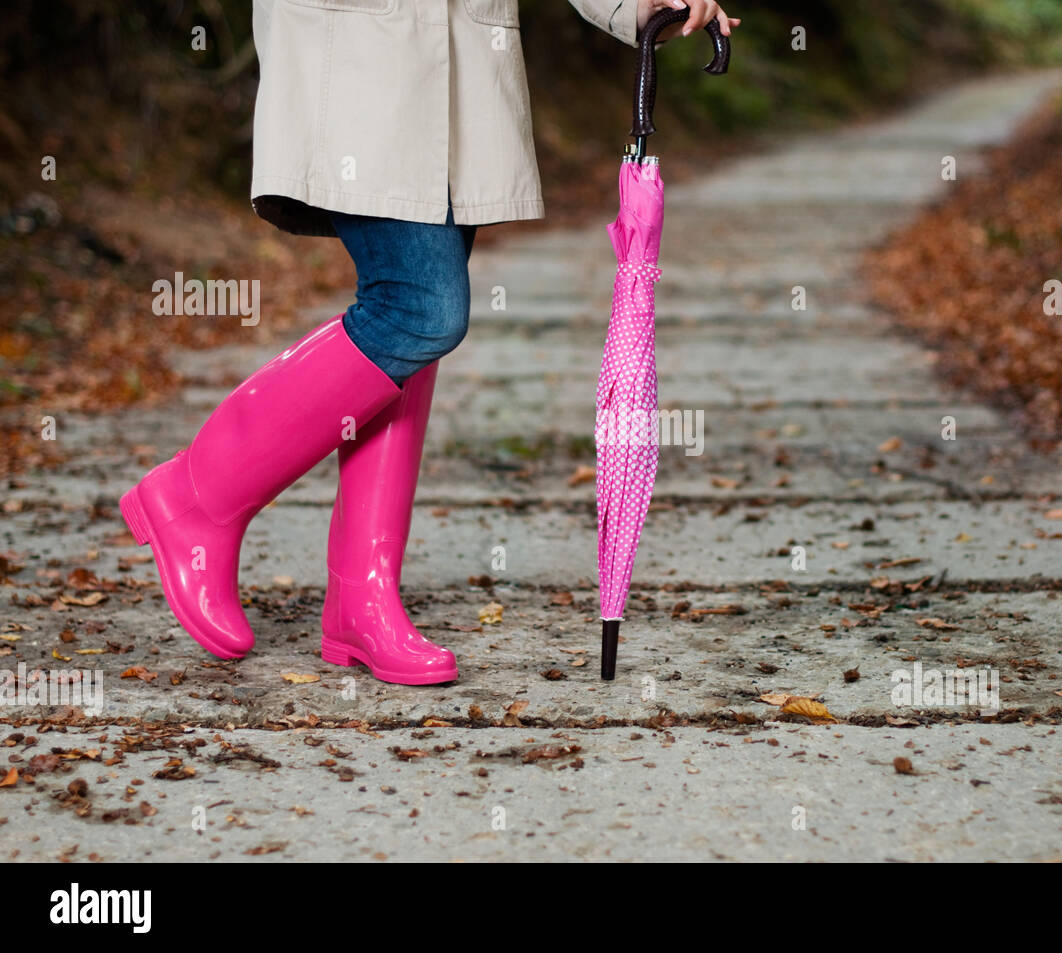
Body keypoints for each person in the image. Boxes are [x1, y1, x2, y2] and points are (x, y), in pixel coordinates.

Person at [119, 0, 739, 685]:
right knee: (421, 310)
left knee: (410, 326)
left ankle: (362, 597)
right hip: (358, 47)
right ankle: (196, 496)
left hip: (463, 62)